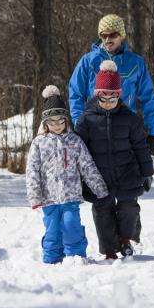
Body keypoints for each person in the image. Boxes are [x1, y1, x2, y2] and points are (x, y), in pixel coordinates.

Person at [75, 60, 154, 260]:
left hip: (127, 172)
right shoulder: (86, 120)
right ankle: (110, 249)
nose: (109, 103)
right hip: (98, 176)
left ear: (119, 96)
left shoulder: (130, 119)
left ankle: (126, 240)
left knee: (129, 207)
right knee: (103, 212)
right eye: (104, 98)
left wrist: (147, 172)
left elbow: (140, 147)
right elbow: (79, 151)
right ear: (97, 96)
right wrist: (78, 177)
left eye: (113, 98)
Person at [25, 85, 109, 264]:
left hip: (71, 196)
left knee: (72, 226)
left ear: (66, 120)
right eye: (52, 121)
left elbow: (87, 166)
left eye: (60, 120)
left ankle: (75, 257)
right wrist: (34, 196)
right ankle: (52, 258)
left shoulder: (74, 141)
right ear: (45, 123)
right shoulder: (39, 143)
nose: (56, 125)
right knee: (52, 230)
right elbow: (32, 171)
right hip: (48, 198)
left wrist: (99, 187)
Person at [68, 14, 154, 151]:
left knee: (128, 169)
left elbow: (148, 98)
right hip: (94, 128)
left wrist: (153, 131)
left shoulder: (136, 62)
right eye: (104, 36)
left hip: (126, 129)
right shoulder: (88, 61)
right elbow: (76, 94)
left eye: (112, 35)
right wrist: (79, 125)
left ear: (121, 36)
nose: (107, 39)